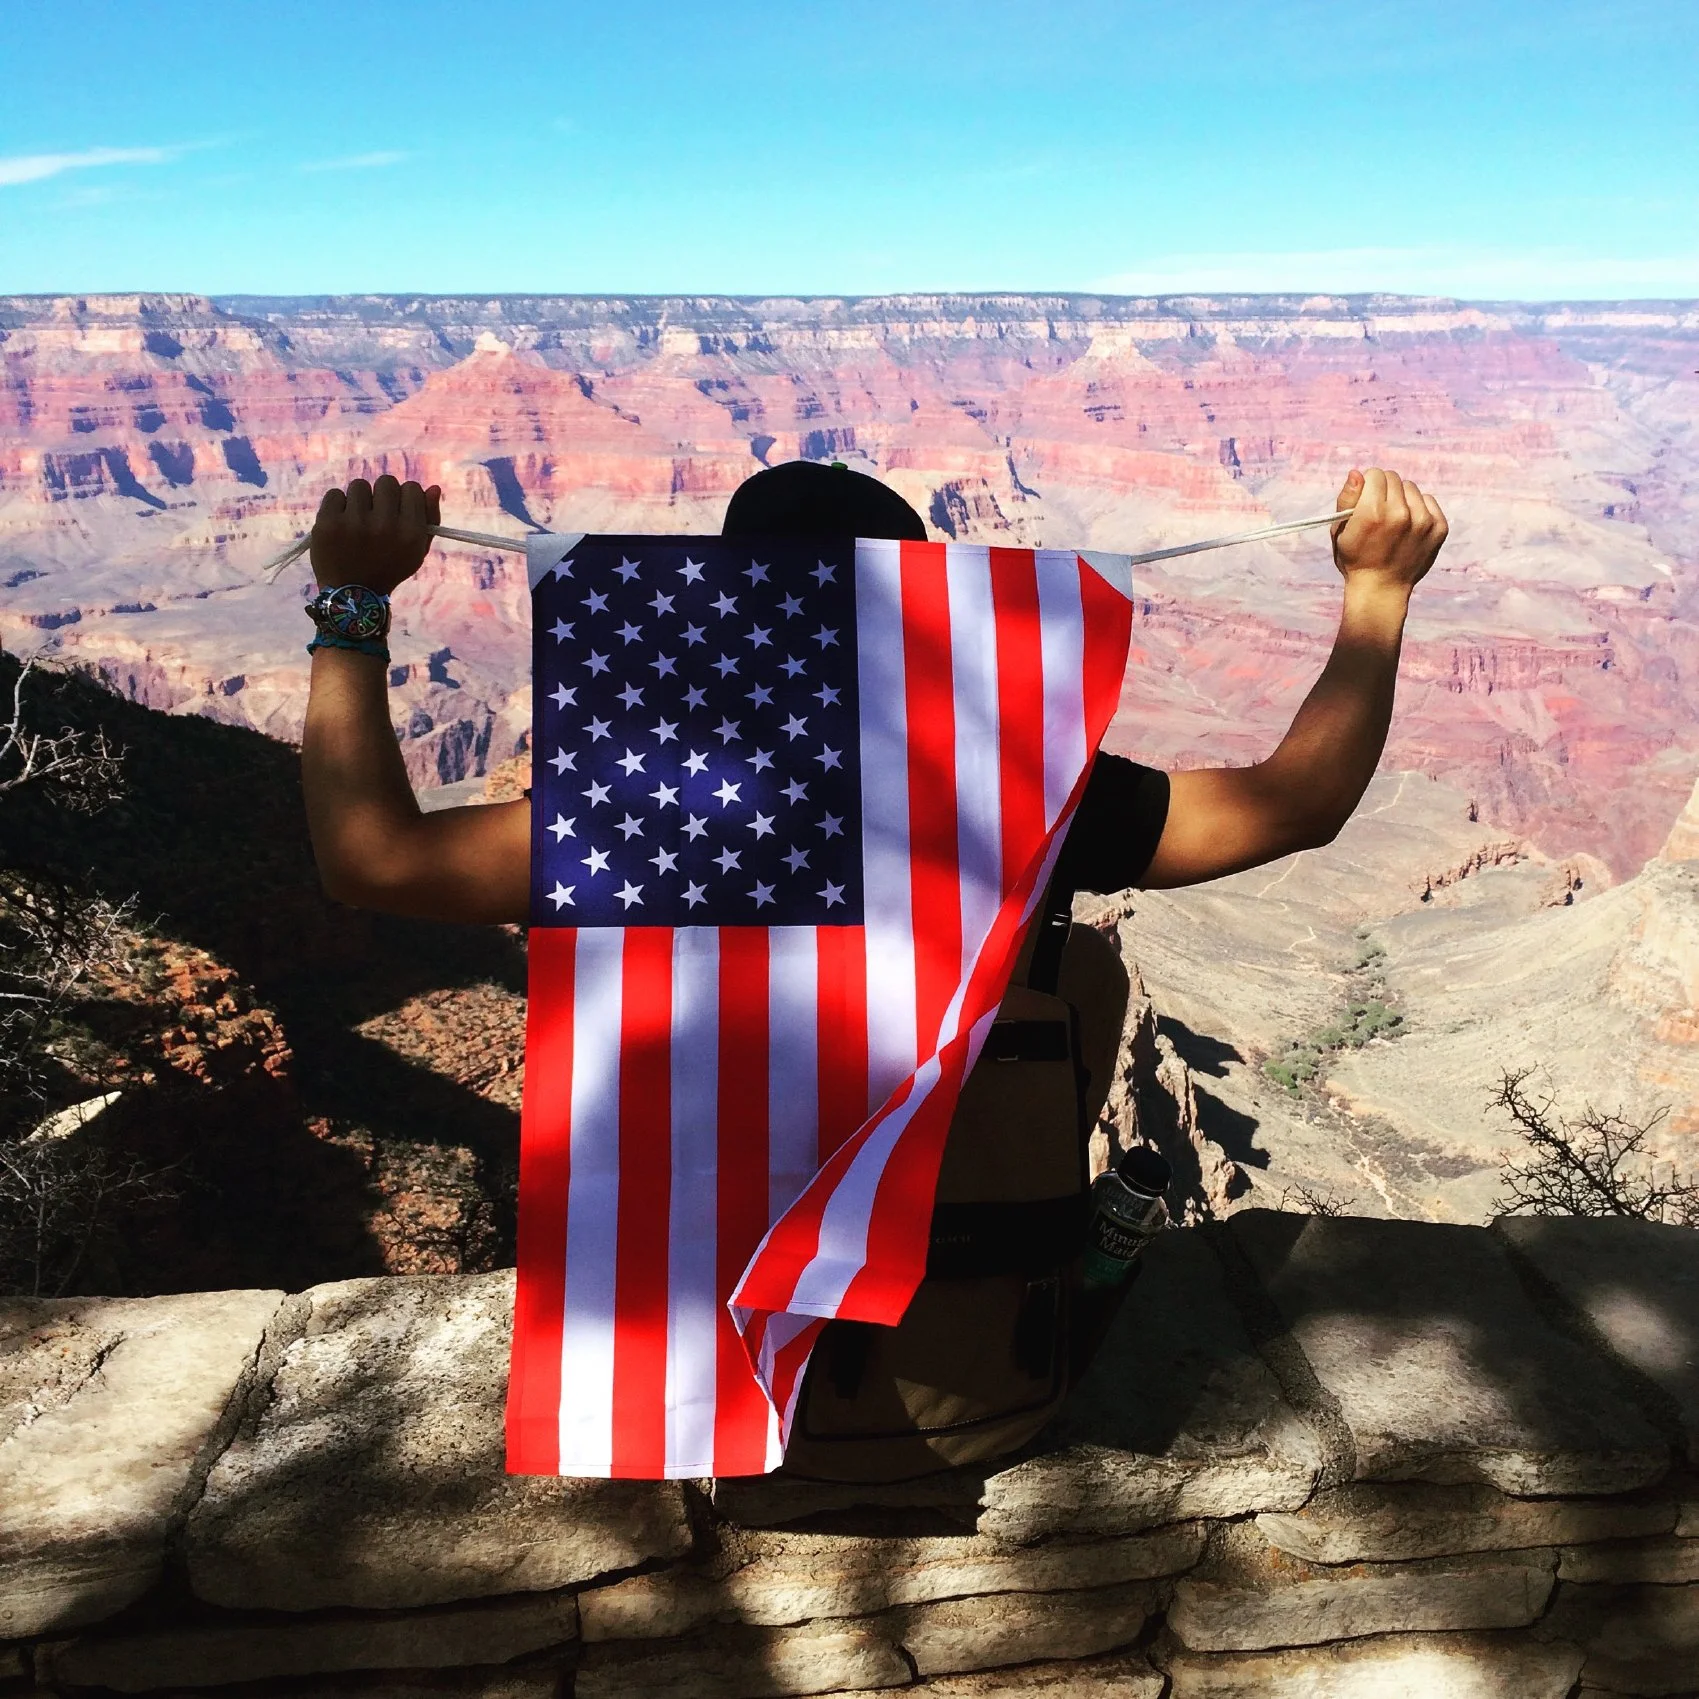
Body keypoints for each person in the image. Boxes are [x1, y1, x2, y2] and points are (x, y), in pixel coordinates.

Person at [301, 461, 1448, 919]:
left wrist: (354, 606)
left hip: (711, 1311)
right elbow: (1291, 807)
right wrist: (1376, 594)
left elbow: (375, 862)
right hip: (971, 1309)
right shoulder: (1012, 801)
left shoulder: (644, 819)